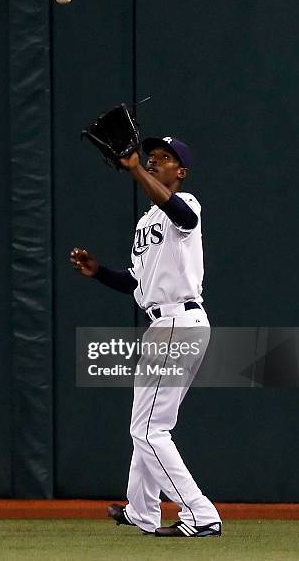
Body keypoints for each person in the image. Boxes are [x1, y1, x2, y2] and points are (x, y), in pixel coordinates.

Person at [70, 136, 221, 537]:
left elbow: (183, 218)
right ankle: (142, 511)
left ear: (181, 172)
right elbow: (138, 282)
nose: (154, 161)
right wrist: (99, 271)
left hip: (179, 323)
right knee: (148, 423)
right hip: (162, 324)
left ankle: (200, 513)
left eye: (164, 158)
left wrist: (134, 168)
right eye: (151, 157)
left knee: (149, 429)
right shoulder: (146, 221)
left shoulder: (186, 205)